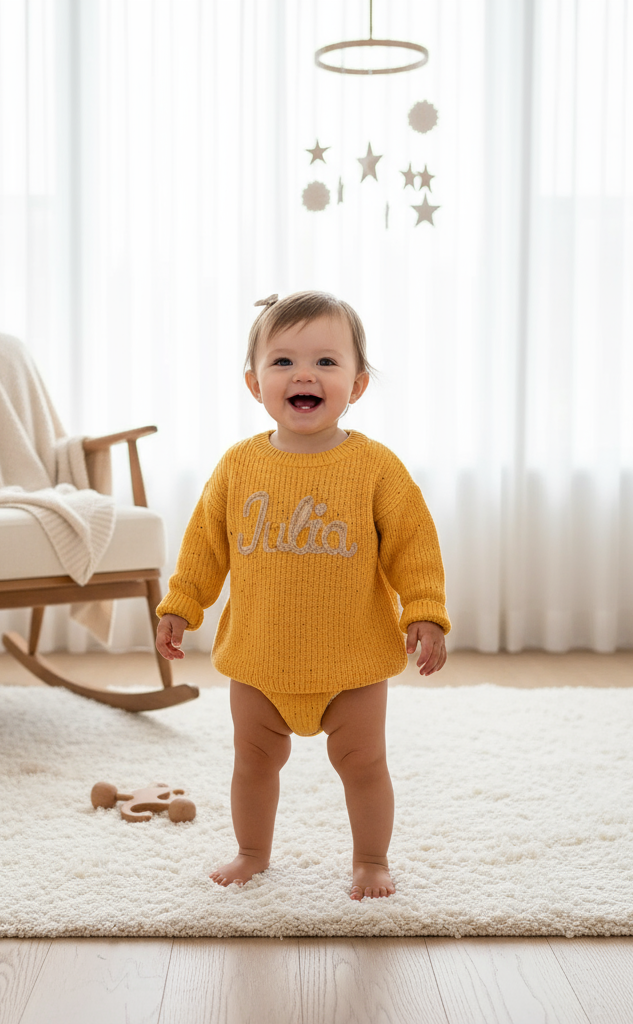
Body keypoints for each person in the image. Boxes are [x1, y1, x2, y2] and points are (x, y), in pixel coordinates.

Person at [155, 290, 450, 900]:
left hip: (354, 661)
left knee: (364, 766)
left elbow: (413, 545)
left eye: (326, 361)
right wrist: (182, 605)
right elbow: (205, 546)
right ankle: (251, 852)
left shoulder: (376, 468)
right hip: (260, 660)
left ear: (358, 384)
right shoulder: (238, 467)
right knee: (253, 765)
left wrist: (424, 612)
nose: (304, 375)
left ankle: (371, 859)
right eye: (283, 362)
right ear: (254, 382)